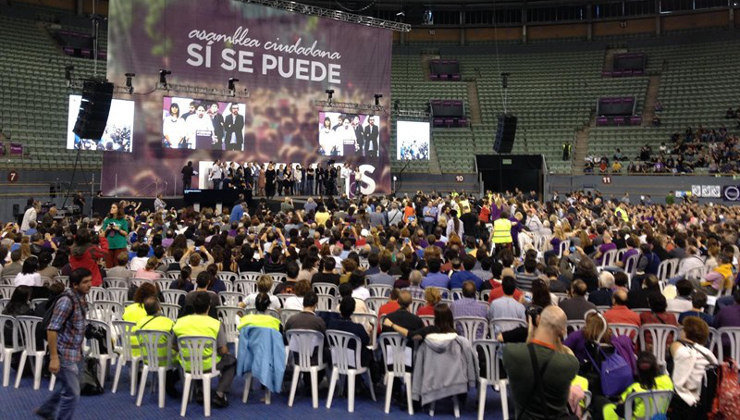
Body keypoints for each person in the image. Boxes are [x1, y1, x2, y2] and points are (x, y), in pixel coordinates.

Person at [34, 268, 92, 420]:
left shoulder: (81, 297)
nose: (89, 285)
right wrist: (54, 357)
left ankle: (46, 410)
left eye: (90, 281)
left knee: (66, 386)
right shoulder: (66, 301)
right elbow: (52, 329)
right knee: (72, 394)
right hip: (64, 353)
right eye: (85, 282)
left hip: (75, 351)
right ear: (74, 285)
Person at [503, 306, 579, 419]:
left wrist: (531, 333)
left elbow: (530, 350)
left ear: (538, 319)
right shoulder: (570, 363)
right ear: (563, 331)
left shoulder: (510, 352)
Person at [173, 292, 236, 408]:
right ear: (209, 306)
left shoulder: (180, 322)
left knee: (196, 355)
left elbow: (174, 346)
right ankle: (219, 394)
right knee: (232, 362)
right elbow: (223, 350)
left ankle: (200, 390)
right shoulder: (216, 324)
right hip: (208, 364)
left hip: (187, 364)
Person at [669, 316, 717, 417]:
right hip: (704, 402)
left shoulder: (679, 347)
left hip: (682, 402)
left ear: (686, 332)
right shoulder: (708, 354)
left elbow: (676, 351)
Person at [602, 352, 673, 420]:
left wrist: (620, 403)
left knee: (605, 406)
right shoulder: (667, 381)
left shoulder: (636, 389)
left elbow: (622, 412)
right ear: (656, 366)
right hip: (658, 418)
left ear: (638, 370)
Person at [131, 297, 179, 396]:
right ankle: (170, 383)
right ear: (159, 308)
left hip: (147, 358)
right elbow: (176, 339)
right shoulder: (168, 322)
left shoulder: (140, 323)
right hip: (166, 359)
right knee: (182, 359)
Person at [327, 296, 371, 366]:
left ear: (340, 308)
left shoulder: (331, 325)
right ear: (353, 310)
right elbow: (366, 341)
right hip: (354, 360)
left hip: (335, 358)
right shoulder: (357, 328)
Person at [101, 202, 129, 268]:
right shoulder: (107, 220)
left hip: (120, 245)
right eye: (111, 207)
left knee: (118, 265)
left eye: (114, 207)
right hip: (109, 245)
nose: (111, 209)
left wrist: (118, 229)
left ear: (118, 209)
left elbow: (126, 233)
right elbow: (102, 234)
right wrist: (107, 229)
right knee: (108, 265)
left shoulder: (123, 220)